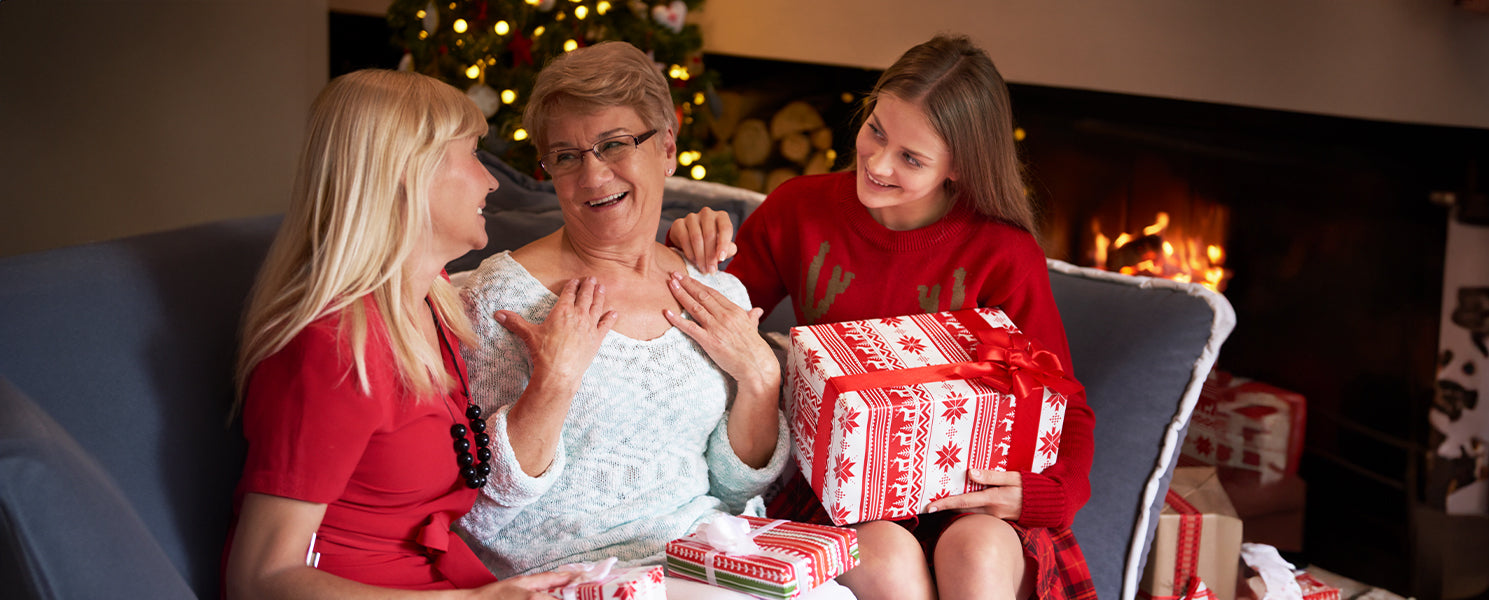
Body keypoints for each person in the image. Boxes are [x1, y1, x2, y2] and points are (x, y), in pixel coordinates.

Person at [667, 34, 1098, 600]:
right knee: (885, 555)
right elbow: (710, 318)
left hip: (964, 493)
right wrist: (686, 255)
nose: (876, 162)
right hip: (843, 492)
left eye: (911, 158)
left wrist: (1046, 496)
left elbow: (1065, 407)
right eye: (876, 130)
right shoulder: (800, 209)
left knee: (977, 549)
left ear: (960, 169)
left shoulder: (1003, 253)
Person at [453, 42, 832, 600]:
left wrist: (759, 377)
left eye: (614, 145)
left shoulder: (715, 288)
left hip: (706, 555)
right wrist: (553, 382)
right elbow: (479, 509)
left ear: (668, 149)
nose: (592, 174)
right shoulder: (500, 297)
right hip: (573, 574)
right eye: (565, 156)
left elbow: (734, 488)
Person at [226, 69, 603, 598]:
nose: (492, 182)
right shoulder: (331, 347)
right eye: (473, 154)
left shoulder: (433, 300)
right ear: (408, 170)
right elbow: (258, 579)